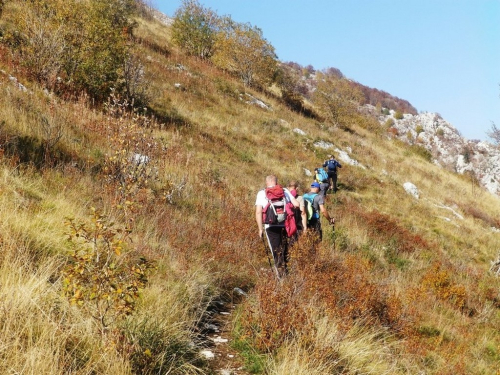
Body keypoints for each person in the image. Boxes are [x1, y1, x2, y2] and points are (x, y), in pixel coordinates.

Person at [255, 175, 300, 276]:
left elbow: (258, 212)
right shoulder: (284, 190)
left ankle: (281, 277)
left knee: (276, 251)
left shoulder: (262, 193)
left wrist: (260, 229)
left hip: (270, 226)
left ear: (266, 183)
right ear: (276, 182)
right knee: (285, 249)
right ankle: (286, 272)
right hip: (285, 225)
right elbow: (296, 204)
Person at [287, 181, 307, 246]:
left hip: (286, 225)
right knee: (297, 244)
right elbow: (303, 213)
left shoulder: (284, 198)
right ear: (297, 188)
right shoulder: (300, 198)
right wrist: (305, 227)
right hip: (297, 225)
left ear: (288, 188)